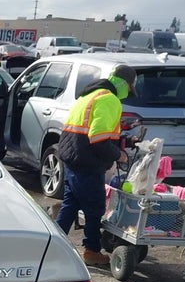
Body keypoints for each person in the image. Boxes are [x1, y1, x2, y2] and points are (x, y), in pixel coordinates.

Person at [55, 64, 137, 266]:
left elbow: (91, 131)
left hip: (72, 158)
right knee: (94, 208)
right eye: (130, 87)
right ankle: (91, 251)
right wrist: (119, 155)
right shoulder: (109, 99)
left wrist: (123, 141)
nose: (128, 92)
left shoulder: (89, 95)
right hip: (87, 162)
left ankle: (53, 245)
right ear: (126, 84)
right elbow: (98, 138)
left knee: (70, 204)